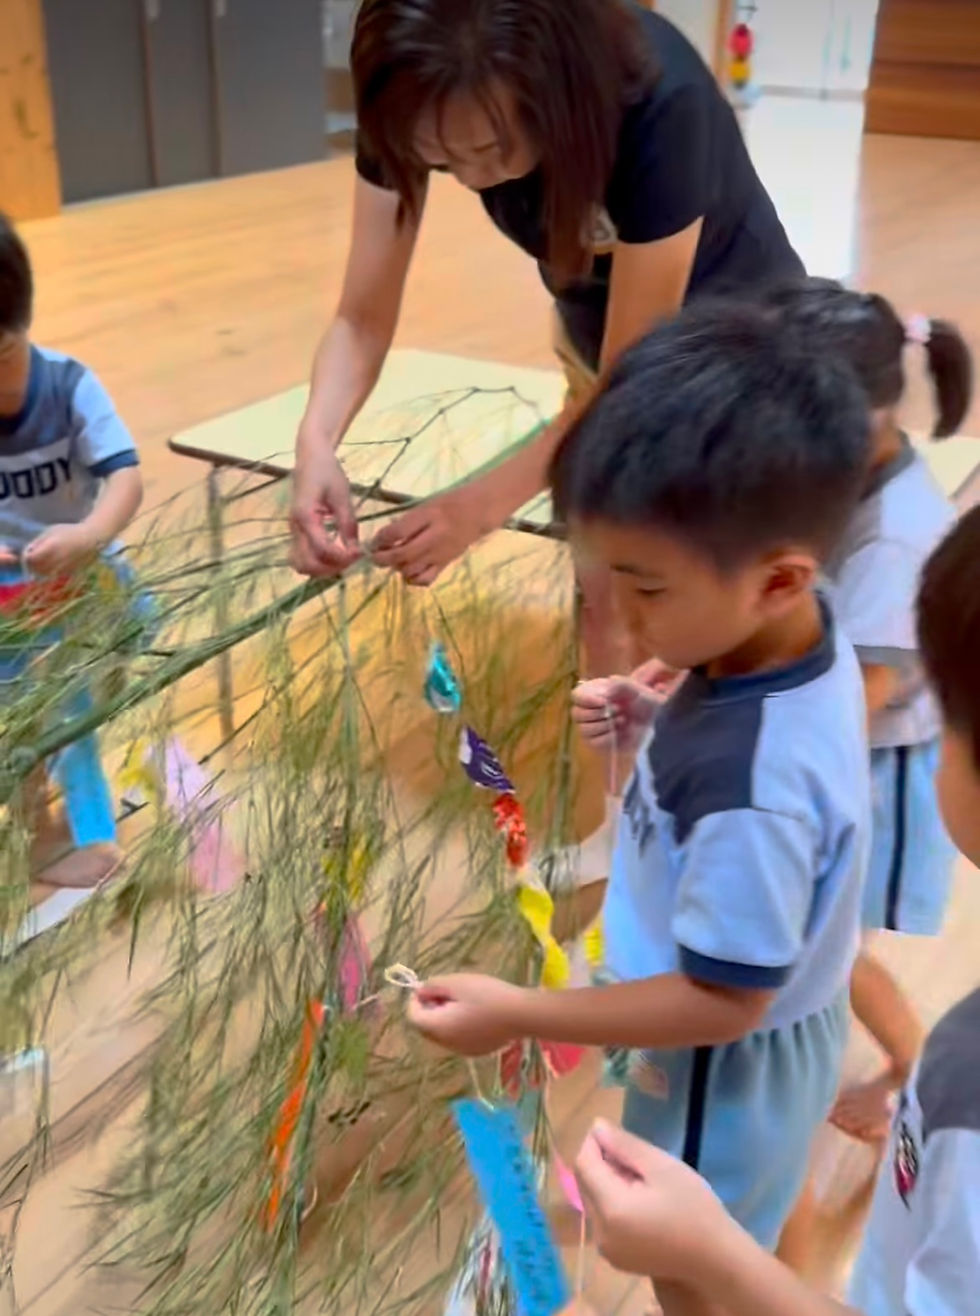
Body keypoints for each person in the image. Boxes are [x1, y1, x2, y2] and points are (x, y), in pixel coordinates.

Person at [405, 303, 873, 1288]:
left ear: (776, 577)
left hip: (719, 1066)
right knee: (754, 1209)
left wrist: (522, 1011)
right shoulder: (791, 629)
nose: (613, 615)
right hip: (776, 1028)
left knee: (691, 1267)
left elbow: (718, 1001)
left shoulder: (751, 790)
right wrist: (657, 716)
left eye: (646, 588)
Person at [289, 0, 803, 644]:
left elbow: (629, 386)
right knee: (607, 591)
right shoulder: (409, 90)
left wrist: (477, 509)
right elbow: (361, 319)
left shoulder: (656, 102)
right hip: (602, 345)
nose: (473, 177)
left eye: (489, 148)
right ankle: (615, 734)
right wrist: (315, 443)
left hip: (736, 352)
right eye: (442, 161)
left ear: (554, 88)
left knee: (700, 596)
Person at [573, 504, 980, 1316]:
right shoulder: (813, 644)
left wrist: (713, 1256)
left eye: (950, 724)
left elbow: (725, 997)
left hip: (739, 1065)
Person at [0, 212, 144, 887]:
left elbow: (126, 476)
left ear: (22, 323)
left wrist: (88, 537)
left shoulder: (69, 385)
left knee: (72, 714)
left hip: (75, 589)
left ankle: (88, 832)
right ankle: (32, 824)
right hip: (7, 605)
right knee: (15, 715)